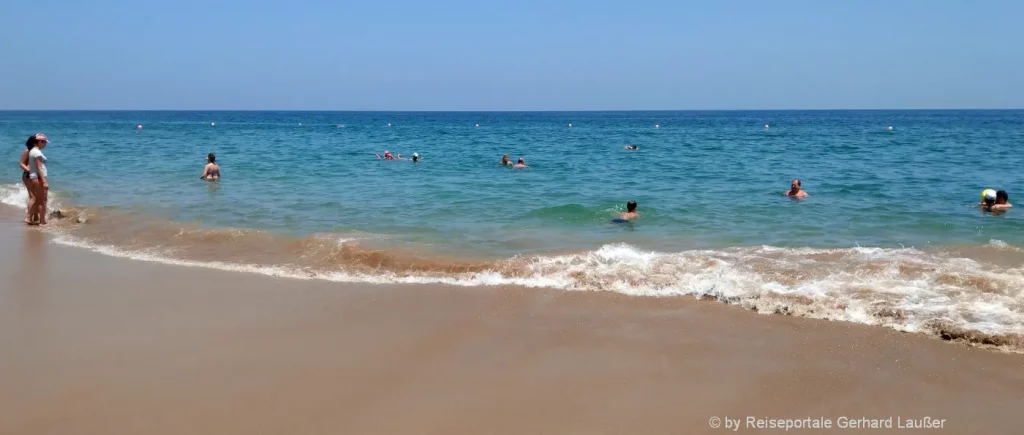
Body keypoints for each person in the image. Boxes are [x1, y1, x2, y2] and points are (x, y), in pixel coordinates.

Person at [25, 133, 49, 225]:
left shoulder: (32, 151)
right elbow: (39, 167)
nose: (45, 144)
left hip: (34, 177)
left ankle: (30, 218)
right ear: (39, 142)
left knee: (35, 199)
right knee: (41, 201)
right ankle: (42, 221)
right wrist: (44, 181)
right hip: (38, 178)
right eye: (44, 142)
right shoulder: (37, 152)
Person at [18, 136, 38, 224]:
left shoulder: (36, 151)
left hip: (35, 176)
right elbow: (21, 163)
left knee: (35, 197)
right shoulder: (27, 151)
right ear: (33, 142)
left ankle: (34, 217)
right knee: (33, 197)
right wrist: (29, 171)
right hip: (28, 175)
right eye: (39, 141)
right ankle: (28, 217)